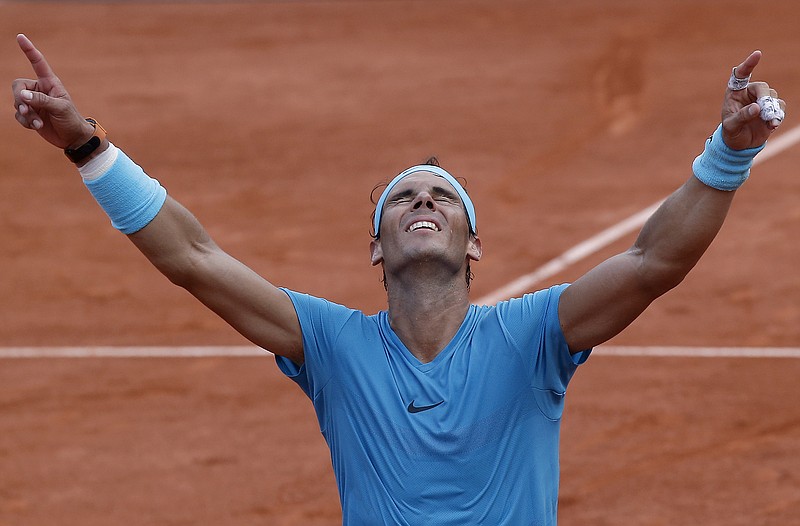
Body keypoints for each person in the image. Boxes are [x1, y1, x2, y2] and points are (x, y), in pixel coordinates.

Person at [12, 32, 785, 525]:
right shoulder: (328, 343)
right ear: (376, 248)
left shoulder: (535, 336)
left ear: (474, 245)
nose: (422, 201)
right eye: (402, 198)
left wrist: (729, 153)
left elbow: (655, 261)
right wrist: (88, 148)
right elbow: (195, 258)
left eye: (442, 197)